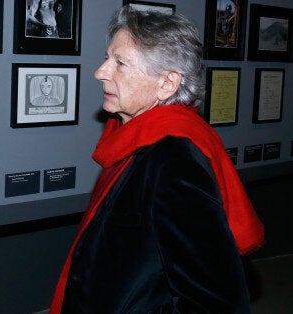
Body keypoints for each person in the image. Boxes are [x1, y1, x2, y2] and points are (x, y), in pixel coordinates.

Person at [50, 6, 264, 313]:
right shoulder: (133, 141)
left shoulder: (174, 163)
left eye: (120, 63)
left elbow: (216, 301)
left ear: (166, 84)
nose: (100, 71)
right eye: (108, 57)